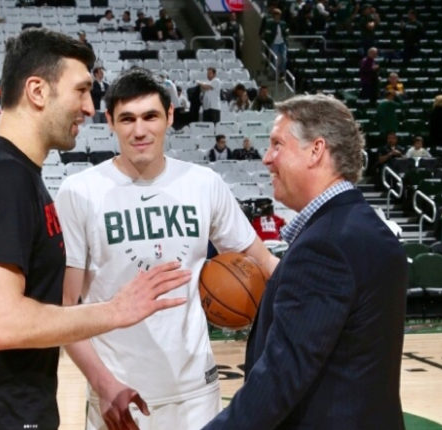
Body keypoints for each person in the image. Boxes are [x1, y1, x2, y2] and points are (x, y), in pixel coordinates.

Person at [0, 29, 191, 430]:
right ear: (37, 91)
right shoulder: (1, 176)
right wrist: (115, 311)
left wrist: (101, 378)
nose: (90, 106)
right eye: (81, 90)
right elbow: (1, 324)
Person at [56, 68, 278, 430]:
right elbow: (67, 308)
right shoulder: (79, 191)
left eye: (150, 116)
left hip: (197, 392)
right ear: (109, 120)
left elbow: (262, 259)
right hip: (119, 393)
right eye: (127, 119)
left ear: (170, 116)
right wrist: (103, 384)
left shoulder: (204, 184)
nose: (139, 130)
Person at [203, 94, 406, 429]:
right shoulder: (368, 226)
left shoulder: (325, 246)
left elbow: (281, 378)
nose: (267, 159)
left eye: (277, 145)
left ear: (316, 151)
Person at [261, 8, 288, 80]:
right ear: (273, 15)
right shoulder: (269, 23)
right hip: (274, 43)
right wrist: (270, 41)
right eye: (276, 14)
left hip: (282, 43)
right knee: (275, 59)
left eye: (278, 15)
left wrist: (286, 34)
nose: (277, 16)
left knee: (284, 58)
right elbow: (267, 33)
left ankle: (282, 73)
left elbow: (286, 31)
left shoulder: (283, 23)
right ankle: (274, 73)